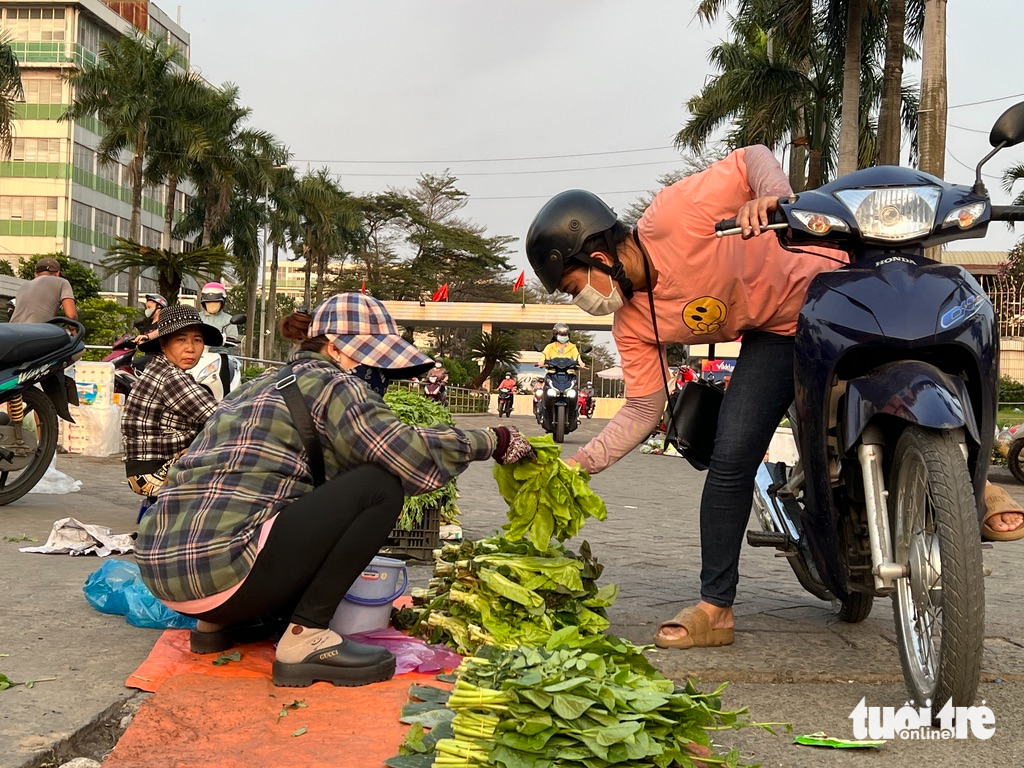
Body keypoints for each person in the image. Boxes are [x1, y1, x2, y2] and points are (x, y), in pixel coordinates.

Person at [526, 146, 1024, 651]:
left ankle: (968, 486)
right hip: (781, 333)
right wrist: (577, 466)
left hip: (839, 285)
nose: (581, 300)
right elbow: (641, 408)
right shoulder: (631, 322)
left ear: (599, 257)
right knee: (730, 457)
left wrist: (771, 198)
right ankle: (715, 608)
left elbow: (751, 159)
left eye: (573, 287)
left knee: (935, 344)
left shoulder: (675, 213)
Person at [134, 293, 535, 688]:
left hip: (164, 571)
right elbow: (406, 453)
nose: (377, 374)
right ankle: (305, 639)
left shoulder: (259, 386)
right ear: (336, 348)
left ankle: (218, 625)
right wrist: (492, 440)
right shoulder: (332, 383)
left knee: (284, 492)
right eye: (372, 359)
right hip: (222, 574)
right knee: (378, 486)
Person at [122, 305, 220, 511]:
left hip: (146, 470)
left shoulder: (161, 369)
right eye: (181, 340)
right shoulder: (170, 377)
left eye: (198, 340)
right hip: (153, 474)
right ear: (164, 344)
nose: (191, 348)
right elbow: (222, 418)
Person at [10, 257, 77, 323]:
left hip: (12, 330)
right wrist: (72, 327)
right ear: (57, 273)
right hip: (36, 331)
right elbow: (71, 316)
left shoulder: (23, 286)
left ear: (36, 274)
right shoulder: (62, 282)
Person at [198, 282, 240, 354]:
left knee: (227, 363)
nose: (212, 305)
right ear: (203, 303)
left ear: (222, 303)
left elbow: (232, 340)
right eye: (208, 302)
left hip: (220, 355)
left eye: (216, 302)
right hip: (198, 355)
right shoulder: (196, 317)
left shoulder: (229, 320)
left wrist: (223, 340)